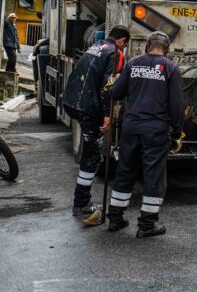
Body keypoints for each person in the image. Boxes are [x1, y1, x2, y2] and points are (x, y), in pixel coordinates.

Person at [106, 31, 184, 238]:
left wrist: (111, 85)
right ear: (166, 48)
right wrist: (177, 131)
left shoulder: (132, 63)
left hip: (130, 128)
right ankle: (147, 225)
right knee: (153, 176)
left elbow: (116, 93)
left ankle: (115, 218)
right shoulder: (171, 69)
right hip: (156, 131)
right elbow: (177, 105)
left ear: (148, 45)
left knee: (125, 171)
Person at [63, 25, 130, 224]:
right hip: (88, 108)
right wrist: (107, 115)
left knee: (90, 151)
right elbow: (108, 86)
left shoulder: (96, 46)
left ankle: (81, 201)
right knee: (92, 155)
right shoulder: (115, 53)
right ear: (122, 41)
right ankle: (82, 203)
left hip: (72, 102)